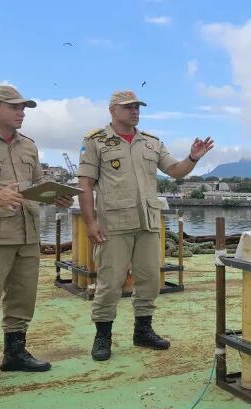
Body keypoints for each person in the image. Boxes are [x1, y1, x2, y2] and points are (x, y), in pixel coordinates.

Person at [78, 90, 213, 361]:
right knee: (110, 282)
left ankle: (143, 330)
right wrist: (91, 223)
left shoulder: (150, 142)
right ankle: (103, 336)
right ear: (113, 110)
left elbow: (175, 170)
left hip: (148, 222)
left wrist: (193, 157)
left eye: (137, 107)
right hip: (113, 224)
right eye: (128, 107)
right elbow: (85, 184)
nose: (135, 111)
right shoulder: (96, 141)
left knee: (150, 279)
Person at [0, 85, 74, 388]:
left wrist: (56, 196)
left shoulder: (28, 145)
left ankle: (15, 352)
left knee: (23, 298)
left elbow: (36, 184)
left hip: (27, 234)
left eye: (23, 108)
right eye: (15, 107)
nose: (21, 112)